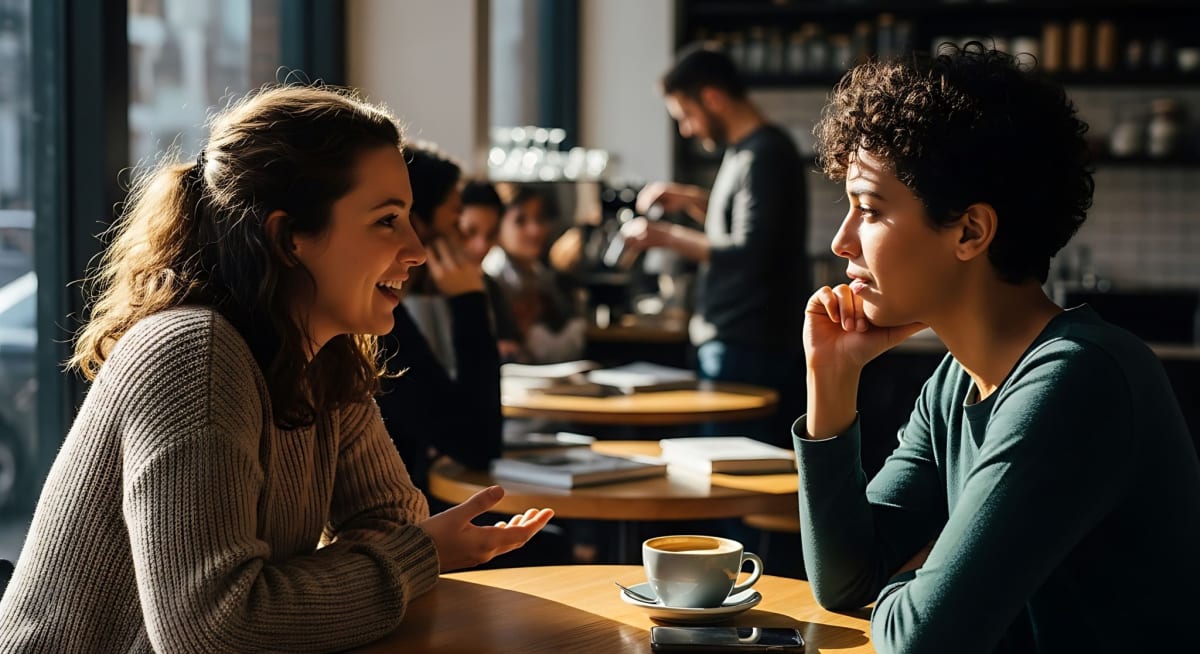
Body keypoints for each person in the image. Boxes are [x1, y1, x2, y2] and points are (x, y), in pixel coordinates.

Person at [0, 85, 553, 652]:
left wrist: (316, 585)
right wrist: (417, 556)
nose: (415, 249)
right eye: (388, 221)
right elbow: (215, 628)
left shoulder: (324, 352)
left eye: (410, 218)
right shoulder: (195, 353)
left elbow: (390, 520)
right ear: (289, 237)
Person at [795, 43, 1200, 653]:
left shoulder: (1075, 379)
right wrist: (831, 380)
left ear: (970, 231)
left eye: (870, 210)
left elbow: (921, 641)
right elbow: (846, 579)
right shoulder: (956, 382)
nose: (841, 241)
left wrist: (918, 584)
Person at [620, 42, 809, 444]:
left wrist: (663, 237)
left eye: (686, 115)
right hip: (736, 341)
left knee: (728, 473)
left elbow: (750, 252)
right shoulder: (744, 154)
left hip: (748, 344)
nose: (687, 129)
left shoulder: (765, 155)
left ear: (712, 98)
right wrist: (692, 200)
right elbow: (742, 228)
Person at [377, 143, 503, 494]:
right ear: (416, 225)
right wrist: (468, 301)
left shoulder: (389, 313)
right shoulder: (374, 327)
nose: (468, 241)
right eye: (455, 220)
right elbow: (477, 443)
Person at [483, 182, 586, 363]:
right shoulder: (494, 277)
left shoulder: (540, 274)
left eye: (540, 219)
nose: (535, 230)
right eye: (520, 221)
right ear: (497, 227)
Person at [459, 179, 522, 361]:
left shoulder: (490, 285)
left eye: (491, 234)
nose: (481, 246)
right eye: (470, 232)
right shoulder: (422, 289)